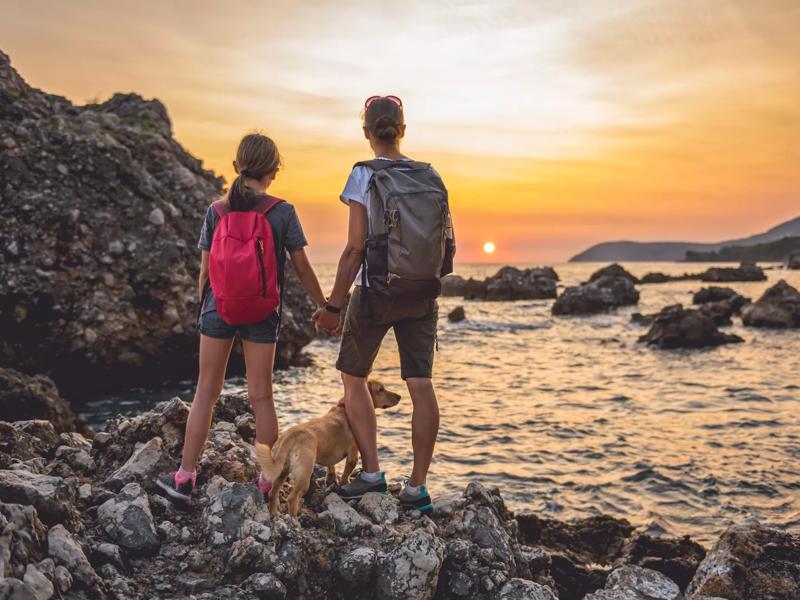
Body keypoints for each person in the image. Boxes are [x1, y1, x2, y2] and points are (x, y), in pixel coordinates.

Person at [157, 132, 327, 502]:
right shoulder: (282, 211)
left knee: (206, 392)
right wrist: (325, 305)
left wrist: (205, 311)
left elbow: (204, 272)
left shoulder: (216, 211)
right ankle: (267, 481)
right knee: (262, 396)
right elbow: (302, 268)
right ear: (274, 171)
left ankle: (185, 478)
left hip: (219, 308)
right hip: (262, 312)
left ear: (236, 167)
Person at [314, 95, 455, 513]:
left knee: (353, 379)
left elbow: (355, 247)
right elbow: (445, 243)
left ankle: (372, 475)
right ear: (402, 129)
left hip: (376, 290)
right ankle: (417, 488)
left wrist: (333, 307)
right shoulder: (431, 176)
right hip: (422, 292)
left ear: (366, 133)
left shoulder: (363, 175)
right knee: (421, 385)